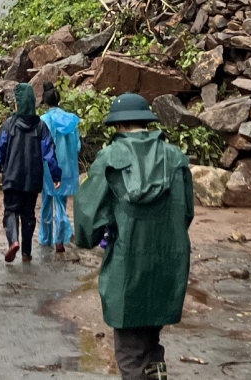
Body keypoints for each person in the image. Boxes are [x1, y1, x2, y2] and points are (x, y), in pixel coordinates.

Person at [73, 93, 194, 380]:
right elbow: (186, 213)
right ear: (145, 121)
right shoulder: (175, 158)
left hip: (127, 269)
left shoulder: (110, 158)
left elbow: (87, 219)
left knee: (129, 353)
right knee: (150, 344)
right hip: (167, 267)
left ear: (117, 126)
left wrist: (98, 235)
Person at [0, 82, 60, 263]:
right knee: (28, 215)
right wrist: (56, 175)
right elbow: (49, 152)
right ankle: (27, 253)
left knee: (11, 211)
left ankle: (13, 241)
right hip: (32, 178)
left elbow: (1, 148)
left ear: (19, 103)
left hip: (12, 176)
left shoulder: (10, 124)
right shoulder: (41, 126)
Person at [38, 83, 80, 254]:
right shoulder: (71, 120)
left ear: (45, 101)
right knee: (61, 202)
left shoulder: (43, 120)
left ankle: (45, 238)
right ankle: (60, 238)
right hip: (67, 166)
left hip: (48, 166)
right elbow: (77, 146)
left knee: (47, 201)